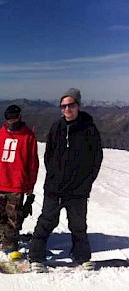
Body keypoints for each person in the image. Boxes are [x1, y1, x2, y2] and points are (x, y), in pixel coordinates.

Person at [29, 88, 103, 271]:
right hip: (55, 187)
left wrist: (87, 182)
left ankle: (81, 256)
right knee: (46, 221)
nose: (66, 109)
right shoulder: (57, 127)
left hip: (78, 189)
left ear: (78, 105)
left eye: (70, 105)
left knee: (78, 225)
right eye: (63, 106)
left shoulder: (89, 129)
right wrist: (54, 175)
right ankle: (35, 256)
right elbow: (49, 155)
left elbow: (96, 158)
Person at [0, 105, 39, 251]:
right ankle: (5, 239)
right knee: (3, 214)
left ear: (20, 116)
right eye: (8, 118)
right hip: (0, 182)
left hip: (16, 183)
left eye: (14, 117)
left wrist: (30, 184)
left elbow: (32, 162)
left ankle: (10, 244)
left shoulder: (28, 136)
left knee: (14, 217)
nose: (11, 121)